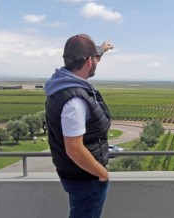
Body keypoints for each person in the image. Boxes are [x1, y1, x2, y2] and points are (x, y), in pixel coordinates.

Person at [44, 34, 113, 218]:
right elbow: (74, 149)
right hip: (86, 178)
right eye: (95, 57)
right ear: (89, 61)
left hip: (75, 174)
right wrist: (102, 173)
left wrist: (102, 48)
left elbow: (91, 54)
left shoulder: (60, 84)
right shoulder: (75, 102)